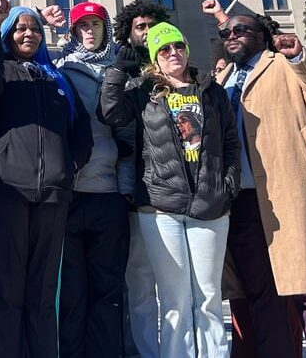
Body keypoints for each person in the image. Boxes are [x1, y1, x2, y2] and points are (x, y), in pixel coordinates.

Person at [202, 0, 306, 358]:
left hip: (290, 194)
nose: (231, 36)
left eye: (240, 30)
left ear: (262, 36)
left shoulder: (284, 64)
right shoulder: (223, 78)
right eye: (226, 33)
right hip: (243, 200)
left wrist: (299, 57)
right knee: (261, 294)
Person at [100, 22, 239, 358]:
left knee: (208, 296)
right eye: (164, 49)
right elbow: (109, 112)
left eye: (178, 46)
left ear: (187, 50)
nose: (172, 53)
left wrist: (228, 184)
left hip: (210, 204)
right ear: (154, 58)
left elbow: (230, 141)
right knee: (175, 298)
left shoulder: (210, 90)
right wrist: (117, 70)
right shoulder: (143, 92)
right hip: (161, 207)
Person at [0, 0, 92, 358]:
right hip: (6, 193)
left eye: (35, 28)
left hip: (54, 195)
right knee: (6, 289)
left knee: (43, 292)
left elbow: (81, 129)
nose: (29, 34)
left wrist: (68, 167)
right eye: (20, 28)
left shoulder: (57, 79)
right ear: (8, 35)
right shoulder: (0, 71)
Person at [53, 1, 131, 358]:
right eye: (82, 26)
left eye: (95, 25)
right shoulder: (62, 70)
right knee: (71, 291)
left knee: (108, 290)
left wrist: (125, 189)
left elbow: (128, 136)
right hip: (72, 194)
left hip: (110, 193)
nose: (89, 31)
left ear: (105, 30)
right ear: (73, 32)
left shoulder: (123, 68)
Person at [110, 0, 170, 358]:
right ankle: (145, 351)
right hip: (138, 189)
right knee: (140, 279)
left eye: (151, 25)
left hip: (178, 192)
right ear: (128, 34)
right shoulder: (123, 73)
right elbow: (111, 116)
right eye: (139, 27)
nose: (146, 33)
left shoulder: (178, 68)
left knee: (179, 284)